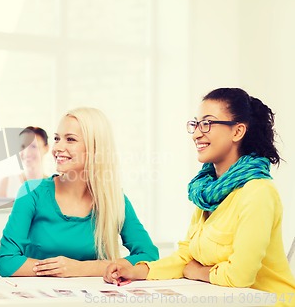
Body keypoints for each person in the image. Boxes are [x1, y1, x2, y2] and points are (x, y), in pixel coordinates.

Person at [104, 88, 295, 306]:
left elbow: (240, 276)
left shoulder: (258, 192)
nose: (196, 134)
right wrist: (137, 270)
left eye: (207, 123)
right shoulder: (208, 192)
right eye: (195, 124)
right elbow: (186, 257)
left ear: (237, 131)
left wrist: (197, 272)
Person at [0, 107, 159, 277]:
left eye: (70, 139)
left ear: (95, 149)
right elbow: (7, 262)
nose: (58, 147)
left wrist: (80, 268)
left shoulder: (114, 200)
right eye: (57, 138)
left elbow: (149, 256)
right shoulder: (32, 192)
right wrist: (60, 269)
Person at [0, 126, 49, 198]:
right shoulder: (6, 183)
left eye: (33, 146)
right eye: (23, 146)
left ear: (46, 148)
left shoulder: (54, 186)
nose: (27, 152)